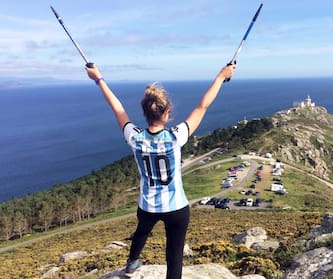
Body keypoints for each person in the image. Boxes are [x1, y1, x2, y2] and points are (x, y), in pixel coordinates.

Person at [85, 63, 236, 278]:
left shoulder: (135, 138)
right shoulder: (176, 137)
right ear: (167, 112)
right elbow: (202, 106)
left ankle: (132, 263)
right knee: (174, 257)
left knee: (141, 232)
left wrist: (98, 79)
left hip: (147, 205)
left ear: (145, 113)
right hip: (176, 208)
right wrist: (221, 76)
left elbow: (118, 109)